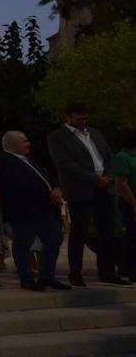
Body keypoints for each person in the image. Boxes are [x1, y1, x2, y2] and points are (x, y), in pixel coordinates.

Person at [47, 103, 124, 286]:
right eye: (78, 119)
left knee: (107, 231)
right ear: (67, 117)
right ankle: (75, 272)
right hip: (80, 189)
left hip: (104, 187)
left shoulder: (95, 134)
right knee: (79, 233)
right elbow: (66, 164)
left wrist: (110, 177)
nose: (82, 122)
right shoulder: (58, 137)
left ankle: (107, 271)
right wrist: (95, 179)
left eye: (85, 119)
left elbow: (108, 156)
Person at [0, 131, 65, 290]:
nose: (28, 144)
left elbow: (45, 176)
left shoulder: (29, 160)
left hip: (44, 209)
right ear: (12, 144)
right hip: (24, 211)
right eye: (24, 141)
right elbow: (21, 184)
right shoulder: (4, 162)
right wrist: (49, 194)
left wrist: (57, 188)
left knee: (54, 239)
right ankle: (27, 278)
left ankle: (47, 276)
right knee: (23, 243)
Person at [110, 132, 136, 280]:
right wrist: (133, 202)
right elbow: (122, 183)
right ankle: (130, 270)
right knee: (132, 236)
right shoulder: (122, 157)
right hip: (129, 200)